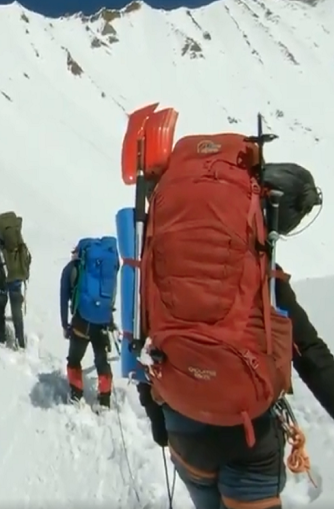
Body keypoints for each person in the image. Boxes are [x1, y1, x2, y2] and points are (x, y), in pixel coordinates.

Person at [132, 132, 328, 509]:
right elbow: (312, 357)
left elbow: (141, 339)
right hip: (247, 438)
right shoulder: (267, 286)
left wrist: (159, 421)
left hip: (183, 431)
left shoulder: (160, 267)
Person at [139, 277, 334, 509]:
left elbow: (140, 346)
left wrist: (157, 420)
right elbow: (309, 351)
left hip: (186, 433)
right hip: (252, 435)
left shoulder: (158, 259)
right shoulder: (258, 259)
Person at [60, 238, 119, 408]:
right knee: (101, 361)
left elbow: (64, 298)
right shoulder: (106, 268)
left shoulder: (71, 269)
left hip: (81, 321)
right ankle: (105, 400)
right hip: (102, 320)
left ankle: (76, 395)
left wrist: (65, 325)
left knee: (74, 359)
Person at [0, 213, 30, 349]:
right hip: (17, 276)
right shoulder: (17, 235)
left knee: (0, 306)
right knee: (17, 309)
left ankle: (1, 338)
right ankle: (20, 341)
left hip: (3, 277)